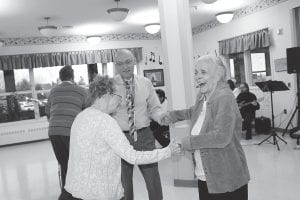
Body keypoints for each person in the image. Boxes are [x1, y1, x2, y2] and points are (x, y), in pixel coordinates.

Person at [60, 76, 181, 200]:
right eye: (119, 97)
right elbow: (132, 156)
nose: (120, 102)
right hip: (96, 195)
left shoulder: (81, 116)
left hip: (71, 192)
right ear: (107, 94)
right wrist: (168, 151)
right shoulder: (105, 121)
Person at [163, 55, 250, 200]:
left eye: (203, 72)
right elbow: (195, 111)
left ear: (218, 74)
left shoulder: (224, 97)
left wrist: (186, 142)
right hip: (206, 175)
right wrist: (173, 116)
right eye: (196, 72)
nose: (197, 77)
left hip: (226, 178)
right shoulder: (203, 96)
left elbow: (221, 137)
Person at [113, 49, 166, 200]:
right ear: (116, 66)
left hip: (144, 135)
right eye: (120, 64)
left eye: (128, 62)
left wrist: (161, 117)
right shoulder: (110, 85)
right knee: (124, 184)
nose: (125, 67)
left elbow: (155, 108)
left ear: (135, 62)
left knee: (153, 179)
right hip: (120, 138)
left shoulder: (145, 83)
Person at [45, 66, 88, 195]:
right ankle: (75, 193)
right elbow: (87, 112)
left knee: (64, 165)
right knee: (75, 164)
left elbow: (47, 112)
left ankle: (67, 193)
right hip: (72, 132)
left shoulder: (53, 91)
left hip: (54, 132)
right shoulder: (81, 91)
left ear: (60, 77)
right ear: (72, 77)